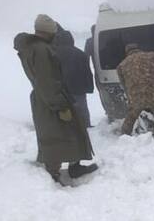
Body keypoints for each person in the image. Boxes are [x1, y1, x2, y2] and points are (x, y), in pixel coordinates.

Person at [13, 14, 97, 183]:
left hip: (45, 98)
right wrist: (60, 105)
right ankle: (54, 172)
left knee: (63, 132)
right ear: (48, 31)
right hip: (51, 99)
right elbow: (47, 81)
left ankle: (72, 166)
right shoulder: (41, 50)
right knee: (57, 135)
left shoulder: (32, 48)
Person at [53, 29, 94, 127]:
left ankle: (67, 127)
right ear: (71, 40)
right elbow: (87, 73)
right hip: (78, 89)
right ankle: (86, 126)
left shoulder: (54, 54)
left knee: (64, 110)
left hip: (61, 90)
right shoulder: (80, 54)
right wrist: (89, 87)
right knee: (82, 109)